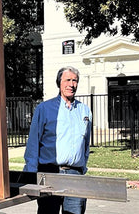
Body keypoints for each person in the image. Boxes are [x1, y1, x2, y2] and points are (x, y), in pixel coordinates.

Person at [23, 66, 92, 214]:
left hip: (75, 175)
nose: (71, 84)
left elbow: (86, 143)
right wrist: (30, 175)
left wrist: (82, 167)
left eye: (75, 81)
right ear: (59, 83)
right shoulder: (44, 109)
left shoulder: (84, 110)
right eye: (67, 80)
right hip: (49, 174)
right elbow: (33, 143)